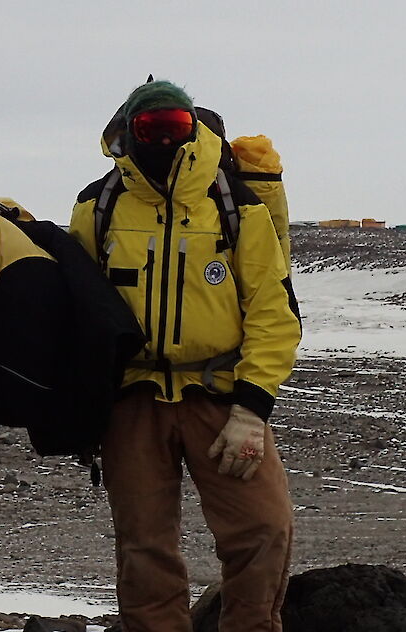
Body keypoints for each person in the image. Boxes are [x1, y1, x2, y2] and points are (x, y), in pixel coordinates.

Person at [68, 80, 301, 631]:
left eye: (175, 126)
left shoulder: (236, 206)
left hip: (221, 397)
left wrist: (252, 411)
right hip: (133, 401)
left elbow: (274, 313)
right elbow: (75, 309)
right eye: (150, 128)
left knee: (264, 529)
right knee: (144, 546)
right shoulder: (97, 206)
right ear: (126, 132)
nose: (163, 139)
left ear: (194, 129)